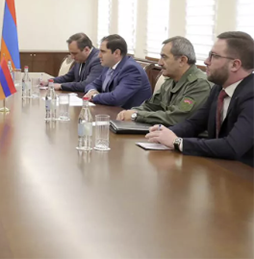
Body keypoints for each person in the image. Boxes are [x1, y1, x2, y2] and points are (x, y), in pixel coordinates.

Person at [146, 32, 254, 166]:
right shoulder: (219, 89)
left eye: (214, 56)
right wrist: (165, 133)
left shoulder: (251, 95)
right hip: (219, 167)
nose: (206, 61)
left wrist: (177, 142)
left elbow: (232, 146)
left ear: (235, 65)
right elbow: (194, 123)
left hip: (245, 173)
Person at [117, 37, 211, 126]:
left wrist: (136, 115)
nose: (159, 63)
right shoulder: (170, 81)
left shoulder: (200, 84)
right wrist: (129, 113)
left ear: (182, 60)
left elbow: (176, 118)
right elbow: (150, 106)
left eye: (164, 57)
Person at [84, 34, 152, 109]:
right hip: (111, 110)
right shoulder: (108, 65)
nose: (99, 55)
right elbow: (93, 84)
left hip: (129, 114)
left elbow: (115, 98)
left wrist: (94, 96)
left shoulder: (131, 69)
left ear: (117, 53)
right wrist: (91, 91)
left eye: (103, 52)